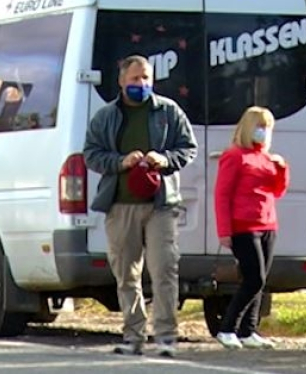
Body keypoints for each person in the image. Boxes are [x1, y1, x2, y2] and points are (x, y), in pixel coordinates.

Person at [83, 54, 198, 357]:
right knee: (127, 274)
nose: (141, 83)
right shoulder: (107, 116)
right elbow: (91, 154)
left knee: (164, 270)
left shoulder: (168, 111)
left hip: (161, 204)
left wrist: (166, 159)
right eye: (135, 78)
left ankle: (166, 338)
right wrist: (120, 162)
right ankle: (133, 336)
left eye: (146, 77)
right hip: (120, 205)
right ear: (121, 81)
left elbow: (188, 148)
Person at [214, 106, 289, 350]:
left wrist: (281, 169)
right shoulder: (234, 156)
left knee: (261, 280)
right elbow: (222, 195)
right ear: (248, 128)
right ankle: (227, 328)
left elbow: (277, 190)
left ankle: (249, 330)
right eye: (260, 127)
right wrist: (224, 230)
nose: (264, 132)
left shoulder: (266, 157)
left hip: (267, 223)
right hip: (243, 226)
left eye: (267, 128)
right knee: (253, 279)